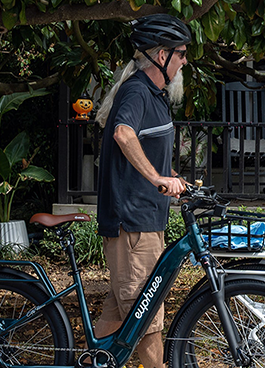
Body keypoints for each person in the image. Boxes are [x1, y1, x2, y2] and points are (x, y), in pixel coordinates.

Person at [90, 13, 191, 368]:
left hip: (144, 221)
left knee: (120, 314)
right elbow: (123, 134)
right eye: (181, 53)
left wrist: (171, 177)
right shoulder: (137, 91)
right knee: (146, 320)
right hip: (133, 224)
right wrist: (156, 179)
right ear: (161, 56)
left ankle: (92, 363)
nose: (184, 61)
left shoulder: (154, 94)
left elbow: (146, 149)